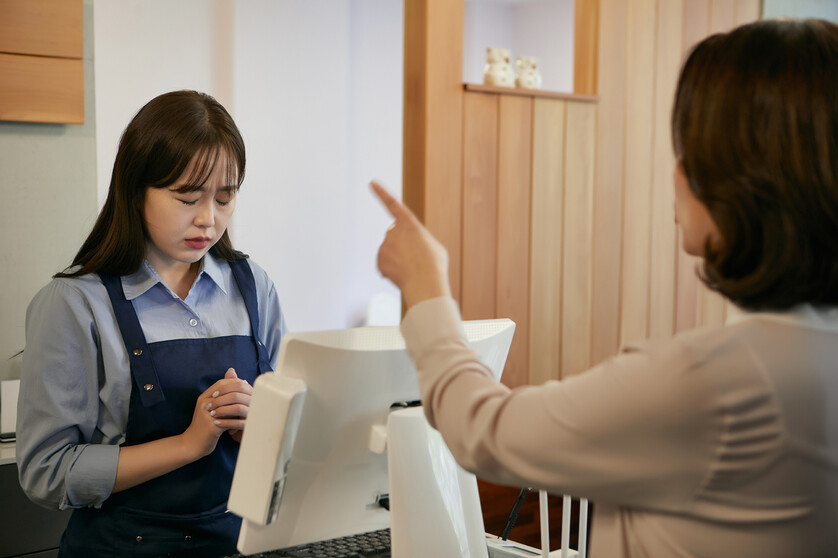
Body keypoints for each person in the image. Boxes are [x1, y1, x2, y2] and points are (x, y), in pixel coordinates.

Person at [372, 18, 838, 557]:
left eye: (690, 149)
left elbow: (481, 430)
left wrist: (427, 288)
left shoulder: (714, 387)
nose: (677, 171)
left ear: (740, 180)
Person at [16, 90, 287, 557]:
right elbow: (46, 472)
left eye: (225, 197)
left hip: (238, 544)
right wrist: (187, 445)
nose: (209, 218)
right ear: (135, 187)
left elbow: (292, 438)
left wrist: (257, 430)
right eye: (187, 197)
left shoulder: (254, 287)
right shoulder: (75, 303)